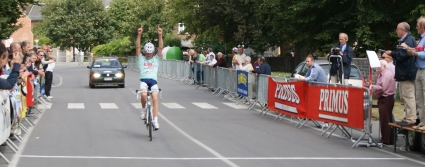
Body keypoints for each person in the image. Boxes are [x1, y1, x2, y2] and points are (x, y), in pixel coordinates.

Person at [383, 22, 417, 126]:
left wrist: (392, 54)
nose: (396, 31)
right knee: (403, 96)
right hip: (403, 72)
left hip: (407, 72)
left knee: (408, 95)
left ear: (402, 30)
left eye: (397, 29)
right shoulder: (404, 40)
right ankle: (406, 116)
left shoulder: (408, 40)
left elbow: (403, 55)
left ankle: (411, 118)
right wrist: (393, 53)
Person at [136, 24, 163, 130]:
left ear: (153, 53)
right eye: (147, 53)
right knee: (143, 94)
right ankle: (143, 110)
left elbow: (160, 47)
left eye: (150, 53)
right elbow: (137, 47)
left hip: (153, 81)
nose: (148, 55)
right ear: (144, 52)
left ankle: (155, 120)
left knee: (155, 98)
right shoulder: (141, 58)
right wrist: (139, 35)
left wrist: (160, 35)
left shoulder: (156, 58)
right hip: (143, 80)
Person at [404, 17, 425, 129]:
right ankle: (422, 122)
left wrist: (414, 53)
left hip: (424, 70)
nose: (416, 28)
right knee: (419, 99)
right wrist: (409, 49)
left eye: (417, 26)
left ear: (422, 27)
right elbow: (418, 50)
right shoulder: (421, 39)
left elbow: (423, 54)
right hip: (419, 70)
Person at [369, 60, 396, 145]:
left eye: (379, 66)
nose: (377, 67)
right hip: (385, 98)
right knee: (385, 119)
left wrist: (372, 86)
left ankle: (386, 139)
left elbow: (382, 87)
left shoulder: (386, 75)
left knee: (385, 120)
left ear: (384, 66)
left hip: (386, 98)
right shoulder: (383, 74)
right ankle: (386, 138)